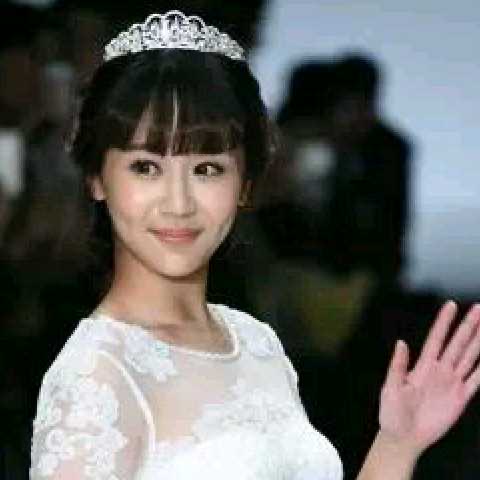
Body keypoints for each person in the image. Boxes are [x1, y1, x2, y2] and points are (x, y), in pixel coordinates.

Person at [29, 11, 480, 480]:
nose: (178, 202)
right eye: (146, 167)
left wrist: (396, 446)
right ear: (97, 178)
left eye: (207, 169)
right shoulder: (96, 376)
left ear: (245, 185)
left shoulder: (254, 341)